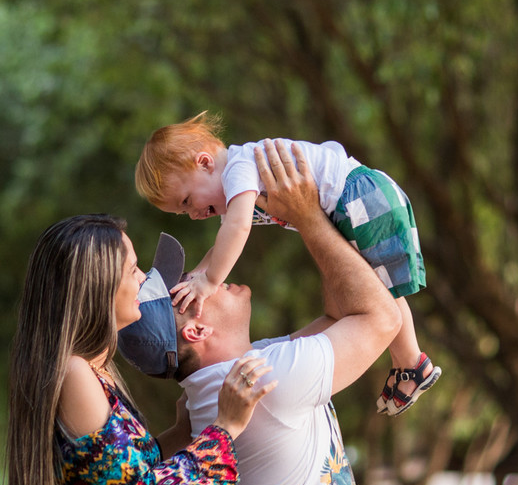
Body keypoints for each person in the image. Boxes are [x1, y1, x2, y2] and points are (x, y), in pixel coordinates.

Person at [118, 140, 402, 485]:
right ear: (196, 331)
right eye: (189, 288)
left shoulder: (243, 375)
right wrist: (310, 217)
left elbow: (344, 310)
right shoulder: (266, 380)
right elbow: (378, 316)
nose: (205, 276)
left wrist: (312, 217)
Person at [5, 214, 275, 485]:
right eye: (133, 268)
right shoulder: (75, 373)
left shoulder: (95, 371)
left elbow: (121, 479)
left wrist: (183, 433)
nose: (146, 279)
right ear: (98, 285)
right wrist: (224, 429)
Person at [135, 111, 440, 416]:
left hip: (357, 198)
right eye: (182, 212)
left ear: (204, 162)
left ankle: (411, 363)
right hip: (350, 202)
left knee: (381, 289)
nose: (194, 214)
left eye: (187, 201)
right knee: (377, 288)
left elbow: (238, 229)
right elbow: (220, 245)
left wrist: (210, 281)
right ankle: (409, 363)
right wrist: (196, 278)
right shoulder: (235, 183)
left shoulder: (238, 169)